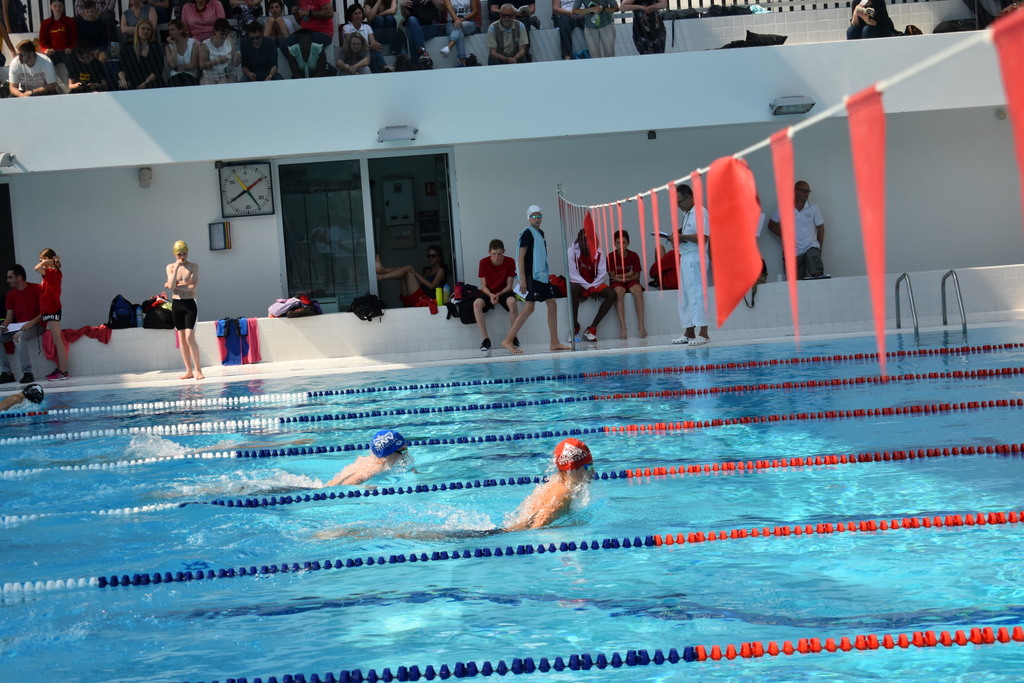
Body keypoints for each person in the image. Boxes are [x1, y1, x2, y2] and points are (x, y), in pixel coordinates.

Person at [501, 205, 572, 354]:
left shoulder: (540, 233)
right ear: (529, 218)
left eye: (539, 216)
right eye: (533, 216)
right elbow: (521, 257)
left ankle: (554, 342)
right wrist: (522, 279)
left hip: (542, 275)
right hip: (531, 276)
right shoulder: (527, 233)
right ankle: (508, 339)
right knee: (529, 308)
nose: (537, 219)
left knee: (552, 303)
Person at [672, 184, 711, 347]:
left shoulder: (701, 212)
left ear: (689, 197)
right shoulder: (687, 214)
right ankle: (689, 332)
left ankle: (703, 333)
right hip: (685, 257)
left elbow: (704, 237)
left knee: (697, 294)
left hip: (695, 257)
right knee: (685, 296)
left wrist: (681, 236)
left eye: (680, 202)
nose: (678, 205)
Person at [767, 180, 826, 280]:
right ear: (795, 191)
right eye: (804, 191)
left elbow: (820, 228)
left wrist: (819, 247)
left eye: (808, 191)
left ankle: (820, 280)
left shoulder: (814, 208)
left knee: (817, 273)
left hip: (810, 246)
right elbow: (771, 224)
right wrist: (785, 236)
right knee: (796, 283)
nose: (806, 194)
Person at [567, 226, 615, 343]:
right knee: (573, 289)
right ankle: (574, 328)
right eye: (583, 241)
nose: (586, 244)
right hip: (579, 283)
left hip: (594, 284)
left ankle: (591, 329)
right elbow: (573, 275)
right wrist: (589, 289)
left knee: (612, 294)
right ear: (578, 241)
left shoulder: (599, 252)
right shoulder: (571, 251)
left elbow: (602, 275)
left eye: (588, 240)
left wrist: (590, 289)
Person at [164, 240, 203, 381]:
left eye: (184, 253)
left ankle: (198, 370)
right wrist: (176, 269)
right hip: (176, 304)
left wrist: (175, 285)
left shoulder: (193, 266)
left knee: (189, 337)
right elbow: (171, 286)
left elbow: (192, 287)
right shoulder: (170, 267)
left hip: (190, 304)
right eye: (179, 254)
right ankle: (188, 371)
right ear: (175, 254)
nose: (182, 256)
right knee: (181, 338)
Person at [474, 238, 519, 352]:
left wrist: (498, 294)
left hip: (504, 291)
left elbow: (509, 286)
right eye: (494, 254)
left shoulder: (510, 261)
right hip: (489, 292)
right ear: (489, 252)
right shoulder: (483, 262)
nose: (497, 257)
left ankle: (513, 337)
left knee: (512, 303)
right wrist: (491, 295)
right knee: (477, 304)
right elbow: (483, 286)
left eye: (499, 254)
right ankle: (486, 340)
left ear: (504, 251)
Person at [1, 264, 42, 385]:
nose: (7, 280)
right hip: (20, 327)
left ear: (19, 277)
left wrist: (31, 323)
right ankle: (7, 373)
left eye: (10, 277)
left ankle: (27, 373)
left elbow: (45, 312)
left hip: (36, 325)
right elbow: (9, 318)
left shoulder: (37, 289)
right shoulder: (10, 295)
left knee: (18, 337)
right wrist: (2, 326)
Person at [324, 429, 412, 486]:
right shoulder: (376, 469)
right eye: (403, 451)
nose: (406, 454)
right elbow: (347, 484)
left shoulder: (372, 460)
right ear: (386, 456)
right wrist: (363, 487)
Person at [34, 249, 69, 381]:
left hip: (53, 309)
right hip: (50, 310)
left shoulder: (53, 273)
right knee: (56, 341)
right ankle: (61, 369)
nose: (41, 263)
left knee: (57, 341)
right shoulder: (52, 273)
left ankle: (63, 371)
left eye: (42, 259)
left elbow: (36, 268)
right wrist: (50, 261)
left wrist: (48, 262)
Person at [607, 229, 647, 339]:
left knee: (638, 290)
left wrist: (621, 277)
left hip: (630, 281)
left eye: (623, 242)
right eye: (618, 243)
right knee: (619, 292)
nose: (621, 246)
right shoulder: (610, 257)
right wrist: (628, 275)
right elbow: (612, 276)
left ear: (628, 243)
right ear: (615, 243)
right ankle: (623, 327)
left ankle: (641, 325)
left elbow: (637, 276)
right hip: (618, 283)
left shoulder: (633, 255)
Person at [340, 3, 387, 72]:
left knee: (374, 51)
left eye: (360, 13)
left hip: (365, 52)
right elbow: (351, 44)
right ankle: (384, 68)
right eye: (355, 13)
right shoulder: (346, 27)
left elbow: (373, 42)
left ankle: (384, 68)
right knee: (372, 54)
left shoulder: (367, 27)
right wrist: (370, 46)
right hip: (353, 53)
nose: (358, 15)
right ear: (351, 16)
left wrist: (376, 45)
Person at [118, 17, 164, 88]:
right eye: (143, 28)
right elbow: (120, 67)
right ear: (137, 30)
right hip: (131, 80)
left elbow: (158, 70)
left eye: (148, 29)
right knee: (123, 86)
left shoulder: (156, 46)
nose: (145, 31)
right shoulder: (126, 46)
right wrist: (123, 79)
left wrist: (146, 82)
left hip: (150, 81)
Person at [400, 0, 444, 67]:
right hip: (416, 26)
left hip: (432, 26)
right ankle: (422, 52)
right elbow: (407, 16)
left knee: (411, 33)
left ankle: (416, 65)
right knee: (411, 21)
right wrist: (402, 7)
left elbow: (442, 8)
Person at [199, 18, 240, 84]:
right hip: (210, 77)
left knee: (224, 82)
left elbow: (235, 64)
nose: (224, 37)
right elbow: (201, 65)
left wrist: (237, 59)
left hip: (227, 76)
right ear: (215, 31)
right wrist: (218, 61)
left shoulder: (231, 42)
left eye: (226, 34)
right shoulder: (205, 45)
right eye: (222, 34)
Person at [439, 0, 479, 65]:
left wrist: (464, 19)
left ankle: (449, 47)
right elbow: (449, 8)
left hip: (468, 23)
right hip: (452, 24)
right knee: (459, 34)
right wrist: (456, 19)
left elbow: (475, 11)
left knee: (460, 26)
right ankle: (463, 63)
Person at [39, 0, 77, 65]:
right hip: (51, 53)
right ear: (51, 7)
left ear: (63, 7)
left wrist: (71, 48)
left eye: (60, 6)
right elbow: (42, 40)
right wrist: (46, 49)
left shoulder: (70, 21)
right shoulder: (45, 23)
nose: (57, 8)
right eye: (55, 6)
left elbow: (74, 38)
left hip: (67, 53)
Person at [165, 18, 200, 86]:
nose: (169, 32)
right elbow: (172, 64)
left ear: (180, 30)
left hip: (191, 76)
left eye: (172, 30)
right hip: (174, 76)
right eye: (169, 30)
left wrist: (177, 68)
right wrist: (174, 45)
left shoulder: (193, 43)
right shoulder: (168, 47)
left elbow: (193, 65)